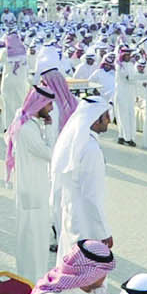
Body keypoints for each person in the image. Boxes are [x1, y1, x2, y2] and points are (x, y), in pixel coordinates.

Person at [4, 85, 58, 281]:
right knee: (33, 242)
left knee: (35, 239)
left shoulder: (28, 122)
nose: (51, 108)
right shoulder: (27, 129)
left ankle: (32, 278)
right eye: (49, 103)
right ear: (40, 104)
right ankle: (31, 282)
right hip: (32, 191)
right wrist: (51, 128)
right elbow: (50, 153)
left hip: (32, 188)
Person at [50, 99, 113, 248]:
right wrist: (103, 233)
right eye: (106, 116)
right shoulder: (90, 149)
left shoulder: (76, 142)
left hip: (72, 218)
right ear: (96, 120)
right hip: (86, 227)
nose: (109, 120)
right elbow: (91, 197)